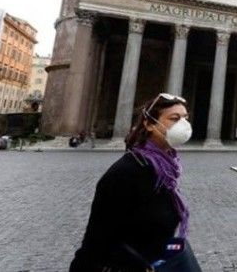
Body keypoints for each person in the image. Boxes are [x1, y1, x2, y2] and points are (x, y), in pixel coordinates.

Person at [70, 93, 200, 271]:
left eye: (185, 118)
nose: (183, 124)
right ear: (149, 124)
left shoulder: (165, 170)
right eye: (174, 118)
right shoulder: (127, 172)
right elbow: (97, 241)